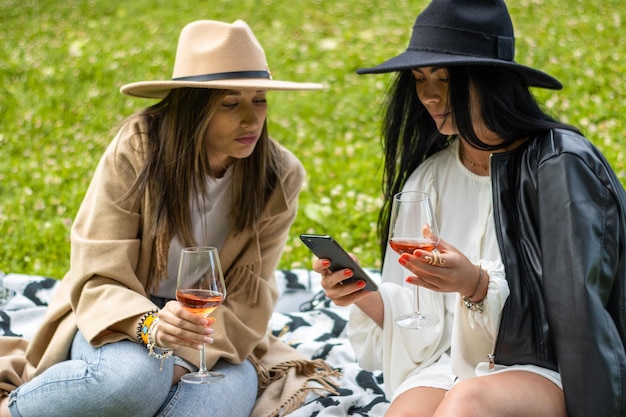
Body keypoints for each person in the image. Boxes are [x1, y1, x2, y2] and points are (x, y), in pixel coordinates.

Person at [0, 19, 338, 417]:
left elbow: (251, 297)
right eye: (231, 103)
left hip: (215, 335)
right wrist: (152, 326)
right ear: (192, 107)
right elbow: (97, 273)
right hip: (123, 317)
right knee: (132, 383)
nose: (252, 120)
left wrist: (183, 354)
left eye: (260, 99)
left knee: (199, 409)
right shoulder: (139, 149)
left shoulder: (278, 175)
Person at [312, 1, 626, 416]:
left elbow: (577, 316)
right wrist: (362, 293)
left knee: (467, 402)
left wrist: (476, 284)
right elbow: (421, 321)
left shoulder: (558, 167)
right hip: (450, 367)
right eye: (420, 78)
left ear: (491, 80)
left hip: (548, 371)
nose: (428, 94)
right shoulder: (429, 178)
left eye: (445, 78)